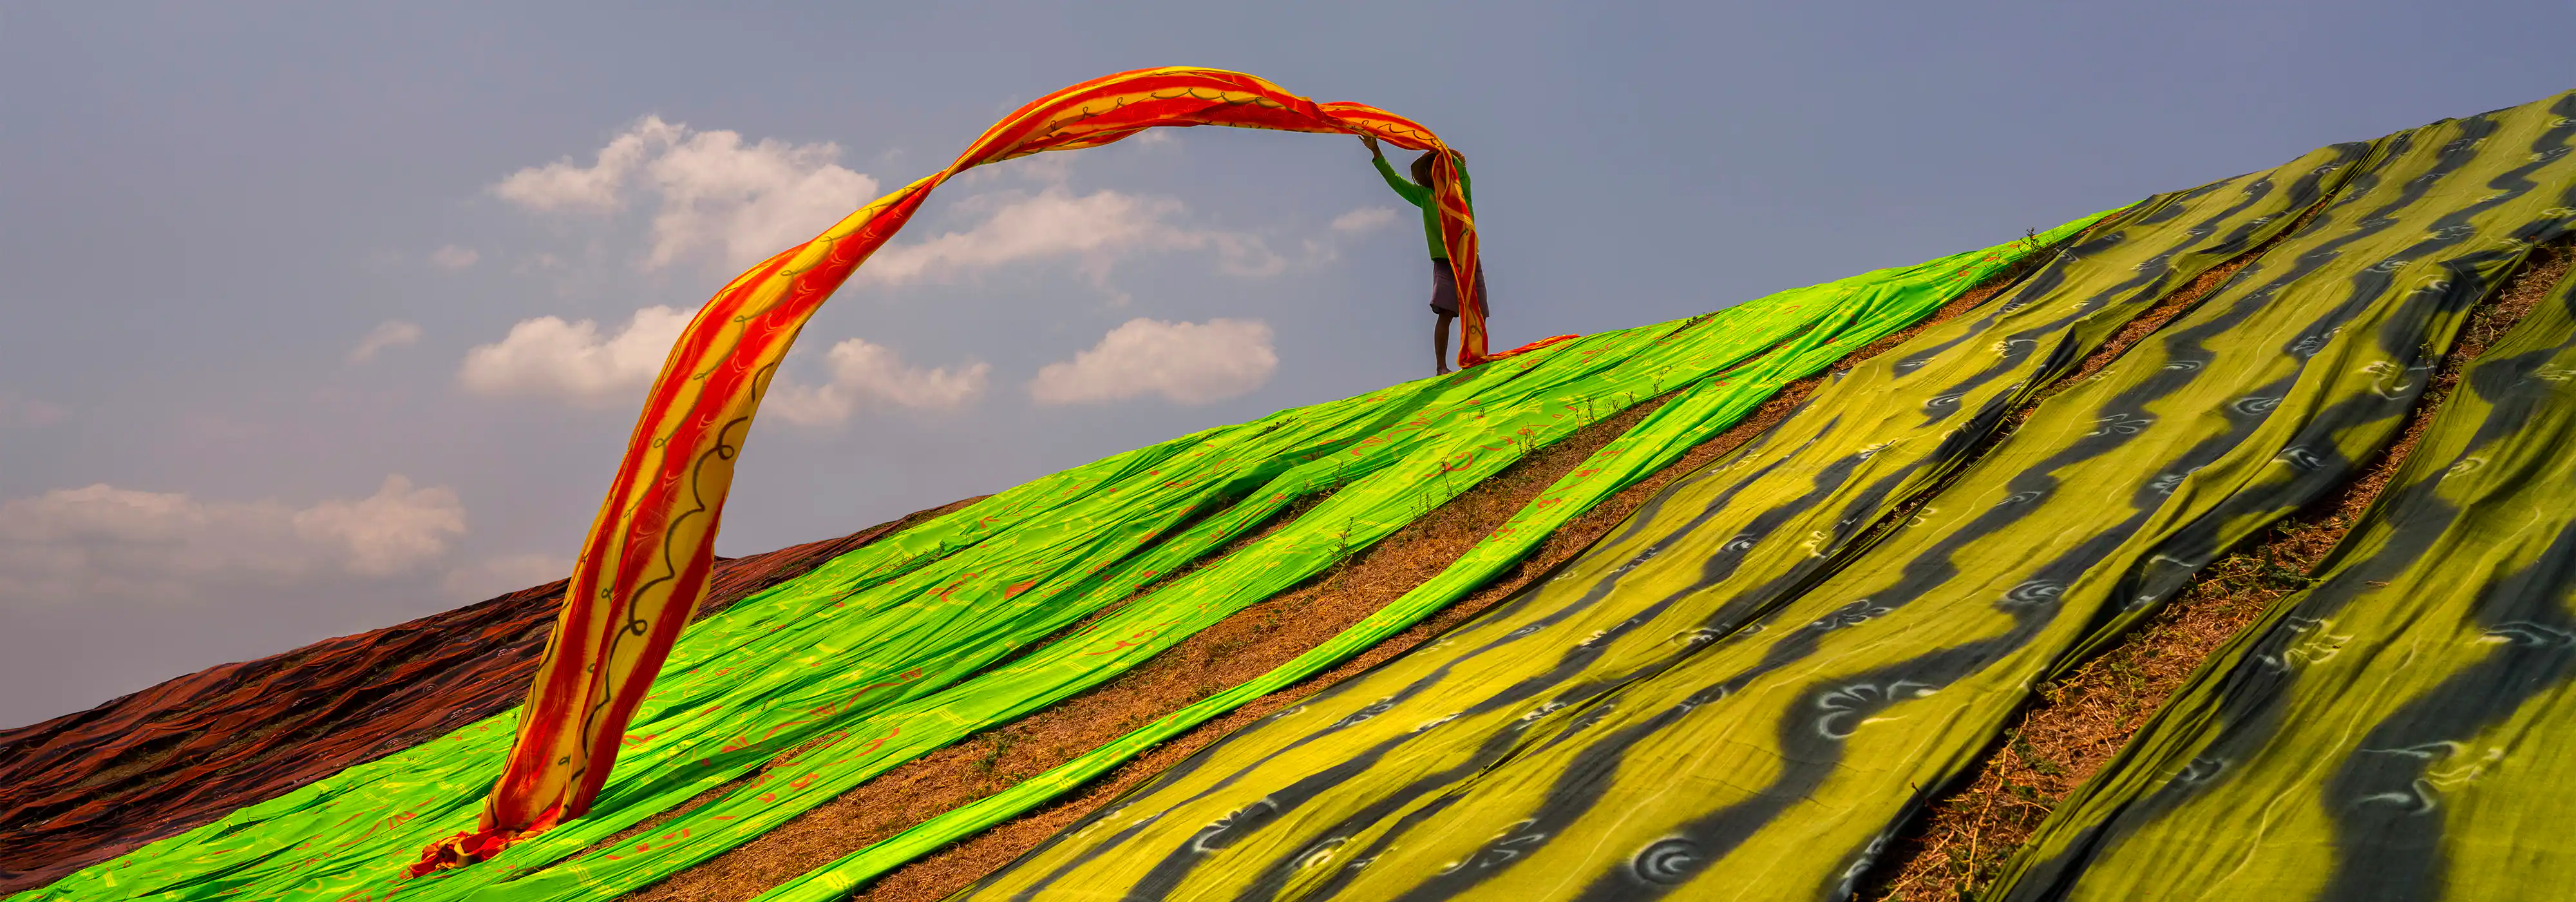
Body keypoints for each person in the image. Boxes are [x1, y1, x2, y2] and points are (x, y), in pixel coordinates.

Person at [1363, 135, 1487, 375]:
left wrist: (1439, 150)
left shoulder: (1462, 192)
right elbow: (1396, 182)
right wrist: (1376, 152)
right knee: (1447, 312)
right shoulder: (1425, 196)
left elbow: (1458, 169)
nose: (1440, 171)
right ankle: (1441, 366)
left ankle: (1475, 356)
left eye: (1443, 166)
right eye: (1435, 167)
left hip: (1467, 256)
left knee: (1476, 309)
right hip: (1444, 260)